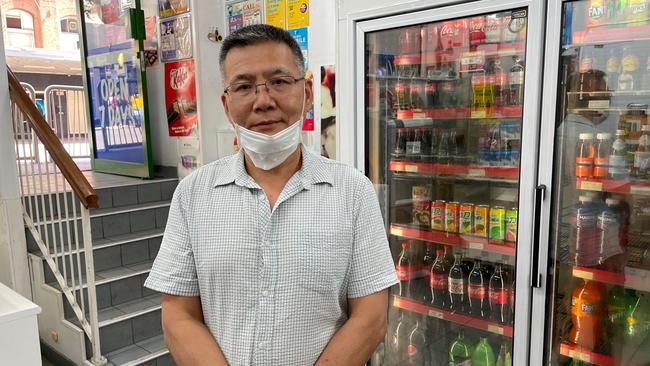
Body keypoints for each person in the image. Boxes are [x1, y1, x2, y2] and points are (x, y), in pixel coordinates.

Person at [144, 24, 398, 366]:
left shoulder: (353, 191)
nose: (263, 101)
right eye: (244, 86)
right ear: (226, 102)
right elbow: (178, 316)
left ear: (307, 91)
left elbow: (370, 318)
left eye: (279, 81)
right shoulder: (192, 194)